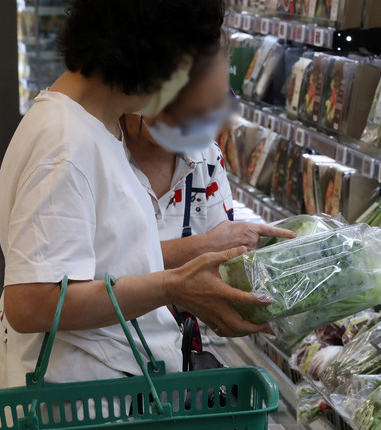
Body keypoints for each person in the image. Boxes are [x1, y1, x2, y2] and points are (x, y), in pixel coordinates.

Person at [0, 0, 282, 389]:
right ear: (151, 50)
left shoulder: (95, 129)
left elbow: (103, 263)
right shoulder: (65, 143)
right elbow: (31, 303)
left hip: (110, 392)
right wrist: (173, 285)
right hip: (79, 402)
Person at [120, 34, 294, 361]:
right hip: (96, 365)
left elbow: (220, 271)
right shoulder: (101, 151)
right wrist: (203, 246)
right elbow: (90, 274)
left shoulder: (206, 158)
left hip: (172, 357)